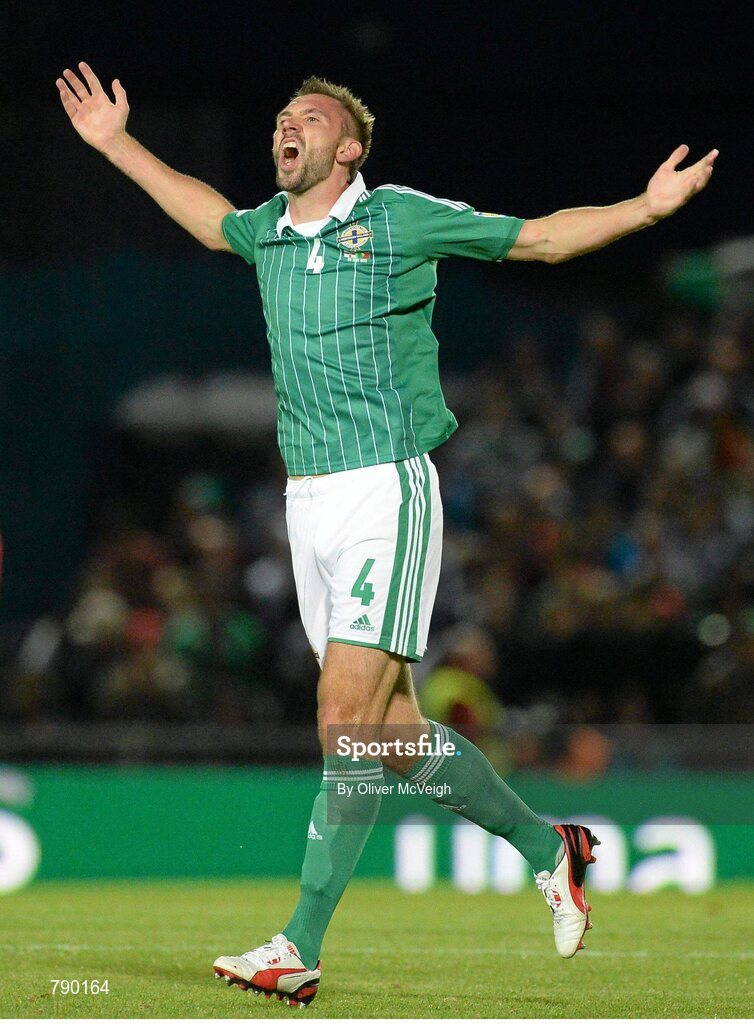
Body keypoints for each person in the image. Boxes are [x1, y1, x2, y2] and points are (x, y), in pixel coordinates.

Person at [57, 63, 717, 1008]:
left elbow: (535, 241)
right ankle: (552, 846)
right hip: (307, 504)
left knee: (343, 726)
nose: (288, 122)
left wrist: (645, 210)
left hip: (384, 491)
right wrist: (117, 144)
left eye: (310, 116)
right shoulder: (269, 235)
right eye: (282, 113)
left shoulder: (399, 217)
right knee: (392, 736)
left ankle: (300, 946)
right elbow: (206, 214)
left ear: (349, 147)